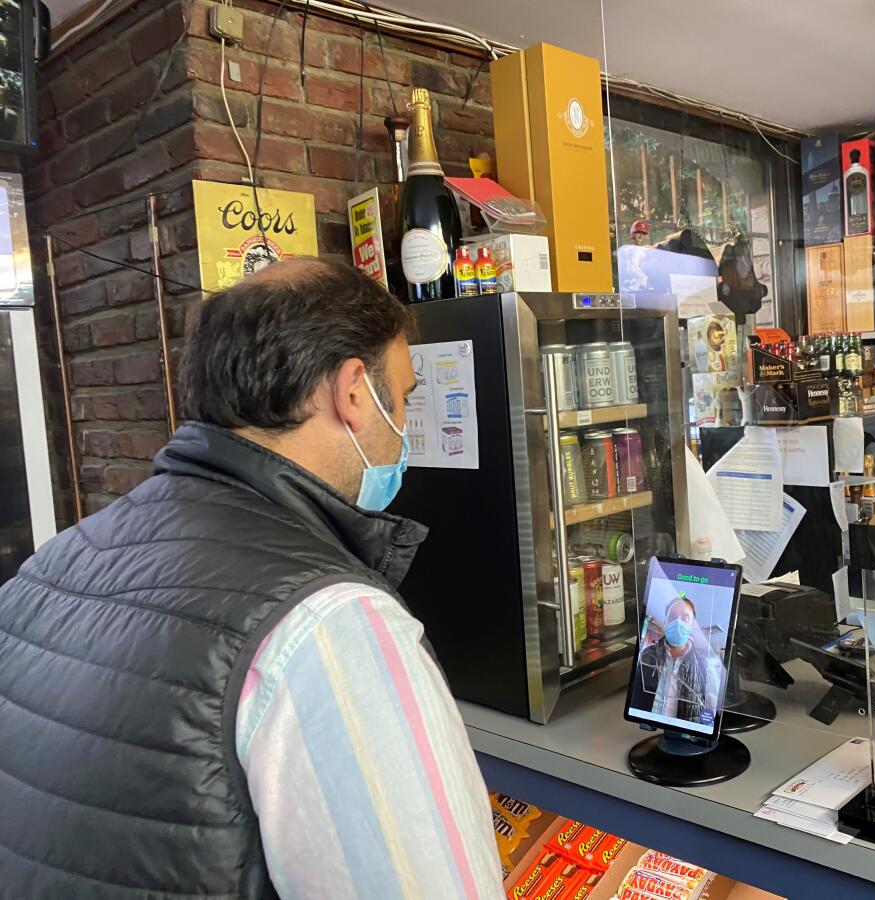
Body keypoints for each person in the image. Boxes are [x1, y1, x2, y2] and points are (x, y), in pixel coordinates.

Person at [0, 260, 504, 898]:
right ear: (354, 391)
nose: (402, 425)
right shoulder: (331, 624)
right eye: (401, 397)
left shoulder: (50, 566)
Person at [629, 596, 725, 725]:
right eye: (672, 617)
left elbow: (711, 713)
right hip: (648, 731)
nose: (678, 622)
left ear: (692, 625)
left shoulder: (705, 666)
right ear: (666, 621)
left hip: (686, 736)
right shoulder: (647, 656)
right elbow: (635, 698)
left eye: (685, 617)